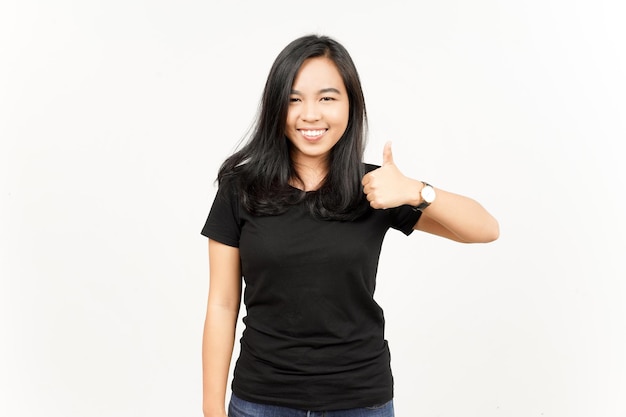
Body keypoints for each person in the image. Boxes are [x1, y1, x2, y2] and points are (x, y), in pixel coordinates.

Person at [200, 34, 499, 417]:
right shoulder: (241, 188)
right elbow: (222, 303)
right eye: (294, 99)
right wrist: (211, 408)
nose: (310, 114)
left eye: (327, 98)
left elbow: (485, 229)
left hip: (360, 400)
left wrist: (414, 190)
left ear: (350, 104)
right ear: (276, 107)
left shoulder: (378, 188)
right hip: (261, 400)